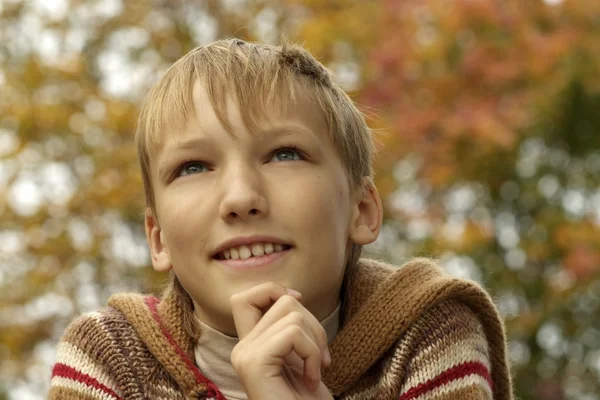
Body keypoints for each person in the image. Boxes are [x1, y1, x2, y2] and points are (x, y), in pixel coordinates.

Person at [48, 39, 513, 400]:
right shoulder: (110, 356)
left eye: (283, 154)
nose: (241, 198)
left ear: (362, 210)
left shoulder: (428, 333)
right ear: (159, 239)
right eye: (193, 167)